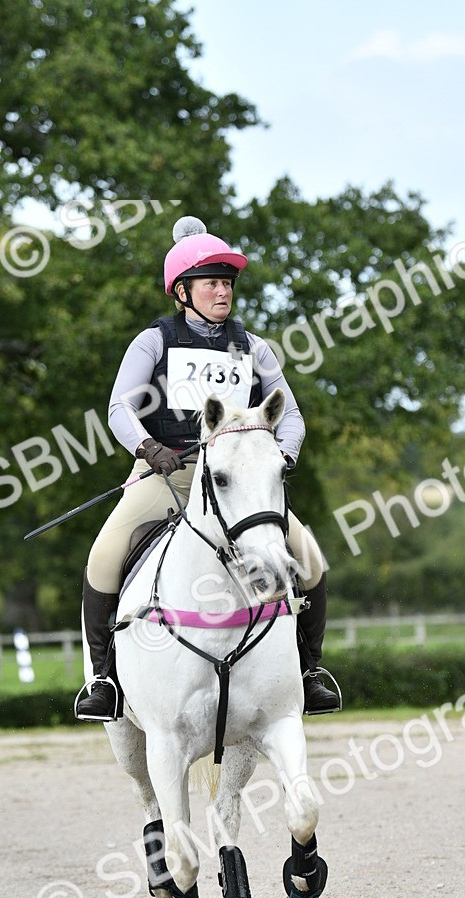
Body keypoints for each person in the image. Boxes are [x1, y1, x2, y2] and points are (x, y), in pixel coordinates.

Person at [75, 215, 341, 722]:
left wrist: (277, 460)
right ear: (182, 290)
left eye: (227, 283)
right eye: (211, 283)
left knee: (309, 559)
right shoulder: (153, 341)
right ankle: (105, 679)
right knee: (104, 555)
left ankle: (309, 672)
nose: (222, 292)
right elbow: (118, 409)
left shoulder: (253, 347)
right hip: (168, 475)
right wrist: (150, 449)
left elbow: (294, 416)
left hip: (238, 483)